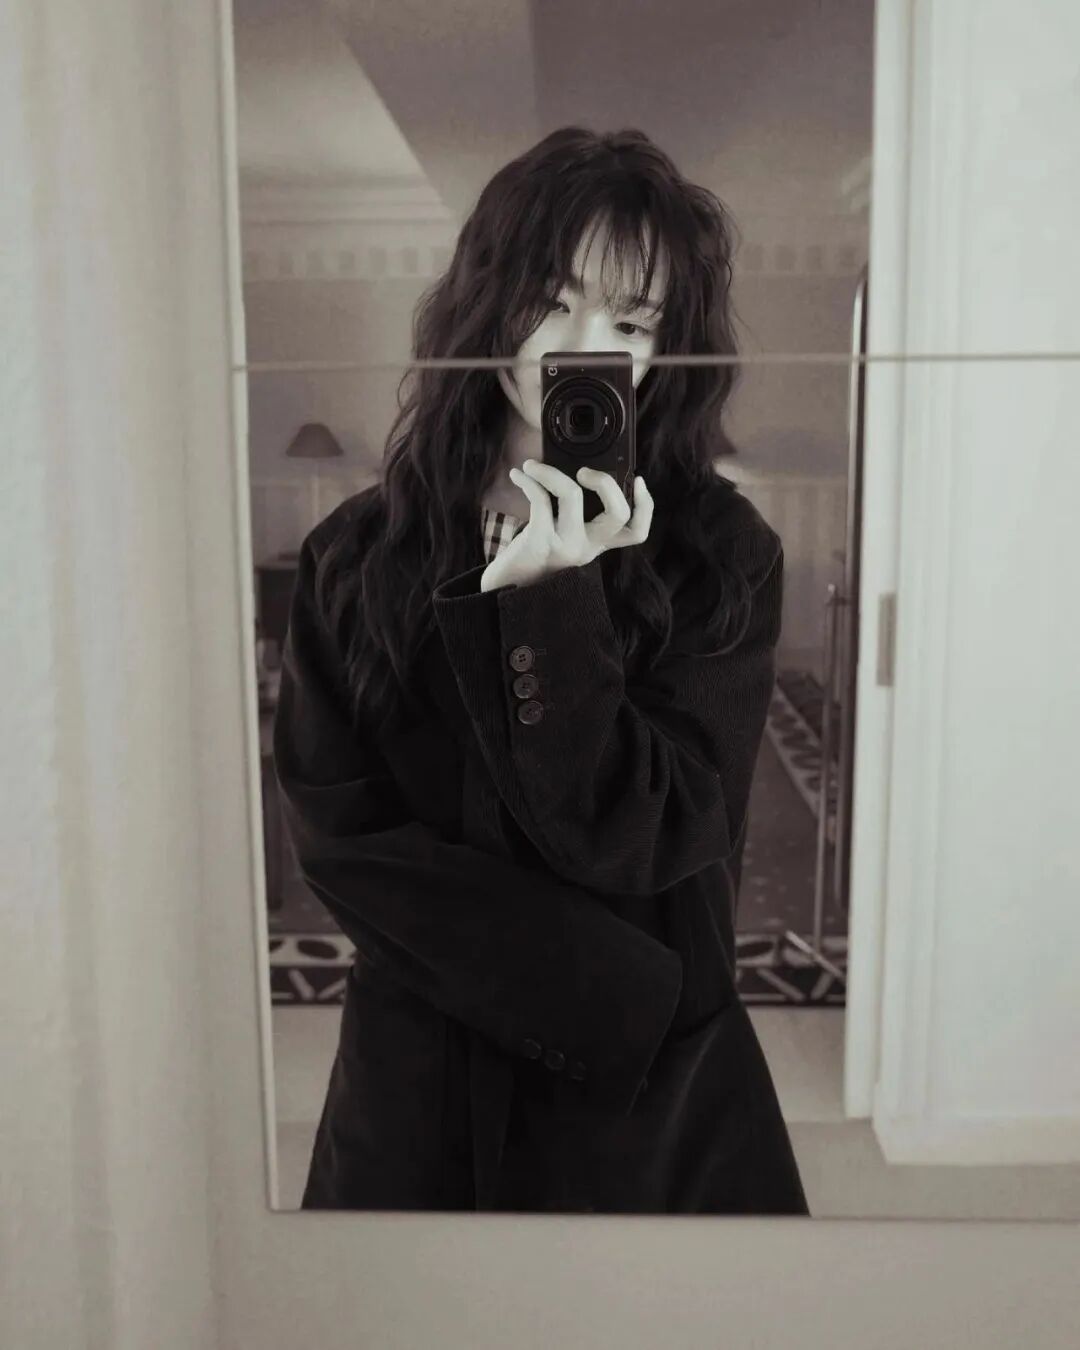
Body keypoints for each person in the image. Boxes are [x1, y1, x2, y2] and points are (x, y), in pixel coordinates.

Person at [272, 126, 809, 1215]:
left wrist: (552, 603)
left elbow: (660, 834)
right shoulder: (354, 553)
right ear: (489, 301)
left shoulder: (723, 554)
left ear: (669, 352)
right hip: (423, 1070)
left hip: (647, 1085)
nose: (580, 346)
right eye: (552, 301)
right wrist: (600, 984)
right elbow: (340, 837)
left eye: (630, 321)